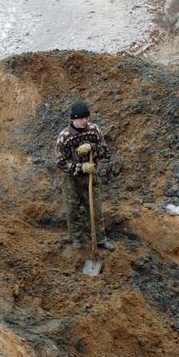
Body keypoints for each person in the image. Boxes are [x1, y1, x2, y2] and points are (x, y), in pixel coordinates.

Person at [55, 100, 114, 251]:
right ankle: (77, 238)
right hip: (71, 180)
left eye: (87, 117)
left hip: (91, 177)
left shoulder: (94, 130)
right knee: (72, 210)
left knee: (95, 209)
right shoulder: (64, 136)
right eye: (82, 118)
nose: (85, 121)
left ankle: (100, 239)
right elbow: (61, 163)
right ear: (73, 118)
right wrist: (81, 167)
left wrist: (92, 147)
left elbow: (105, 151)